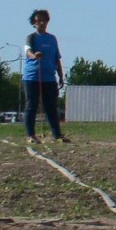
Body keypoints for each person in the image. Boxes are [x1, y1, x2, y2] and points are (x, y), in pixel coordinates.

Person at [23, 9, 68, 144]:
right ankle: (30, 135)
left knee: (51, 107)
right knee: (32, 105)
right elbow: (28, 51)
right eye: (38, 21)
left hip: (49, 77)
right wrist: (34, 55)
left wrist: (60, 75)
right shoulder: (31, 37)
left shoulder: (52, 39)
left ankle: (57, 135)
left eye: (44, 20)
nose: (41, 23)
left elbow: (57, 58)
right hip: (32, 77)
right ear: (33, 23)